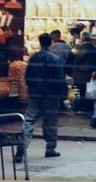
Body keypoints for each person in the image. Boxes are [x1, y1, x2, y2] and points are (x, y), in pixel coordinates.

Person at [15, 33, 66, 162]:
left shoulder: (33, 58)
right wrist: (63, 95)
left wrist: (31, 88)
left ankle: (21, 146)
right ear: (51, 43)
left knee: (29, 119)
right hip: (51, 95)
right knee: (50, 122)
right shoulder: (55, 58)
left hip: (35, 93)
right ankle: (50, 149)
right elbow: (60, 79)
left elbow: (27, 76)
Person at [70, 31, 96, 115]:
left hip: (81, 73)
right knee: (87, 91)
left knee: (76, 91)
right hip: (89, 72)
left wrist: (74, 53)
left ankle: (76, 107)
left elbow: (78, 57)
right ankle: (87, 109)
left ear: (83, 38)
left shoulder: (85, 47)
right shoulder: (94, 47)